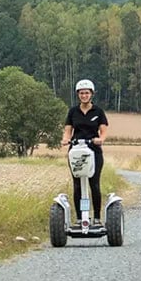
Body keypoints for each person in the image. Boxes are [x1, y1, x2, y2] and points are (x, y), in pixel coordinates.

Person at [61, 79, 109, 226]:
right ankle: (80, 218)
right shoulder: (73, 111)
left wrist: (100, 139)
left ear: (91, 94)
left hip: (93, 150)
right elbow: (68, 131)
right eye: (81, 93)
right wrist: (65, 140)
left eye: (87, 93)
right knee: (77, 184)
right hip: (76, 150)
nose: (84, 95)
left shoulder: (98, 111)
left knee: (94, 184)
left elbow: (104, 130)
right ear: (78, 95)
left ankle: (96, 218)